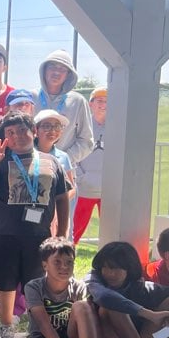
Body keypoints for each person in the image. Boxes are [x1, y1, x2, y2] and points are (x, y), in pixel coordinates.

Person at [0, 111, 69, 338]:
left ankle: (37, 328)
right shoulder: (0, 160)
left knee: (37, 283)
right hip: (4, 233)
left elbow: (62, 197)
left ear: (33, 132)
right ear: (4, 137)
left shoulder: (51, 161)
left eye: (22, 130)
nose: (17, 136)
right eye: (10, 132)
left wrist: (63, 232)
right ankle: (6, 326)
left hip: (38, 235)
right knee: (5, 284)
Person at [11, 237, 109, 338]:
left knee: (82, 305)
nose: (64, 267)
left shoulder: (79, 287)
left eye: (69, 262)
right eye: (57, 262)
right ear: (45, 265)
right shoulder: (34, 287)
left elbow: (91, 319)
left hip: (74, 337)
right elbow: (43, 324)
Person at [35, 50, 93, 168]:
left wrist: (63, 159)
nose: (56, 72)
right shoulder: (30, 97)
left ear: (68, 74)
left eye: (62, 69)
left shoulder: (78, 101)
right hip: (31, 167)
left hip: (64, 171)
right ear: (44, 70)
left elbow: (87, 141)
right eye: (52, 66)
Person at [72, 87, 106, 243]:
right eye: (99, 101)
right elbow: (75, 148)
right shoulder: (83, 124)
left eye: (107, 101)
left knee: (111, 229)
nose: (103, 105)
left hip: (108, 188)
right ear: (90, 104)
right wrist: (81, 177)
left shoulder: (118, 125)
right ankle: (68, 256)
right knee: (75, 228)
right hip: (85, 187)